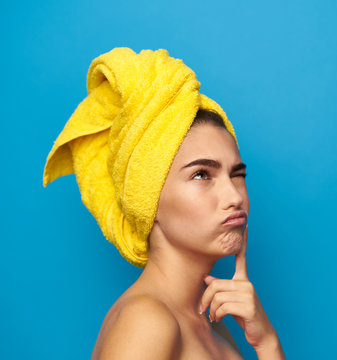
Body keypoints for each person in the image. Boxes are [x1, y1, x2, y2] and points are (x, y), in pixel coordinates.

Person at [43, 48, 285, 359]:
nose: (235, 196)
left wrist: (267, 343)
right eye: (201, 175)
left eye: (237, 175)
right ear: (148, 199)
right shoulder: (146, 320)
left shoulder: (211, 323)